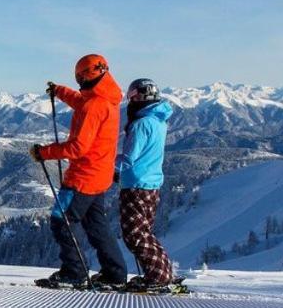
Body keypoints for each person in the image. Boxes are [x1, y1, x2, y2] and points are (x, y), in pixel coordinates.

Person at [29, 53, 128, 288]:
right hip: (99, 176)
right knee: (97, 226)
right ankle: (115, 273)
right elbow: (81, 103)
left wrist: (44, 153)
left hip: (83, 176)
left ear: (84, 76)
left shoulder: (94, 105)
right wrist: (60, 91)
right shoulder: (106, 98)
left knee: (61, 220)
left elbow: (77, 147)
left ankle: (74, 272)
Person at [116, 78, 175, 290]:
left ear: (141, 97)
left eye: (132, 98)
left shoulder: (141, 124)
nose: (129, 103)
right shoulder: (159, 120)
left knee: (134, 233)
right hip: (151, 183)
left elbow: (129, 157)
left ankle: (157, 276)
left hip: (136, 184)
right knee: (144, 231)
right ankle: (161, 271)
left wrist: (109, 166)